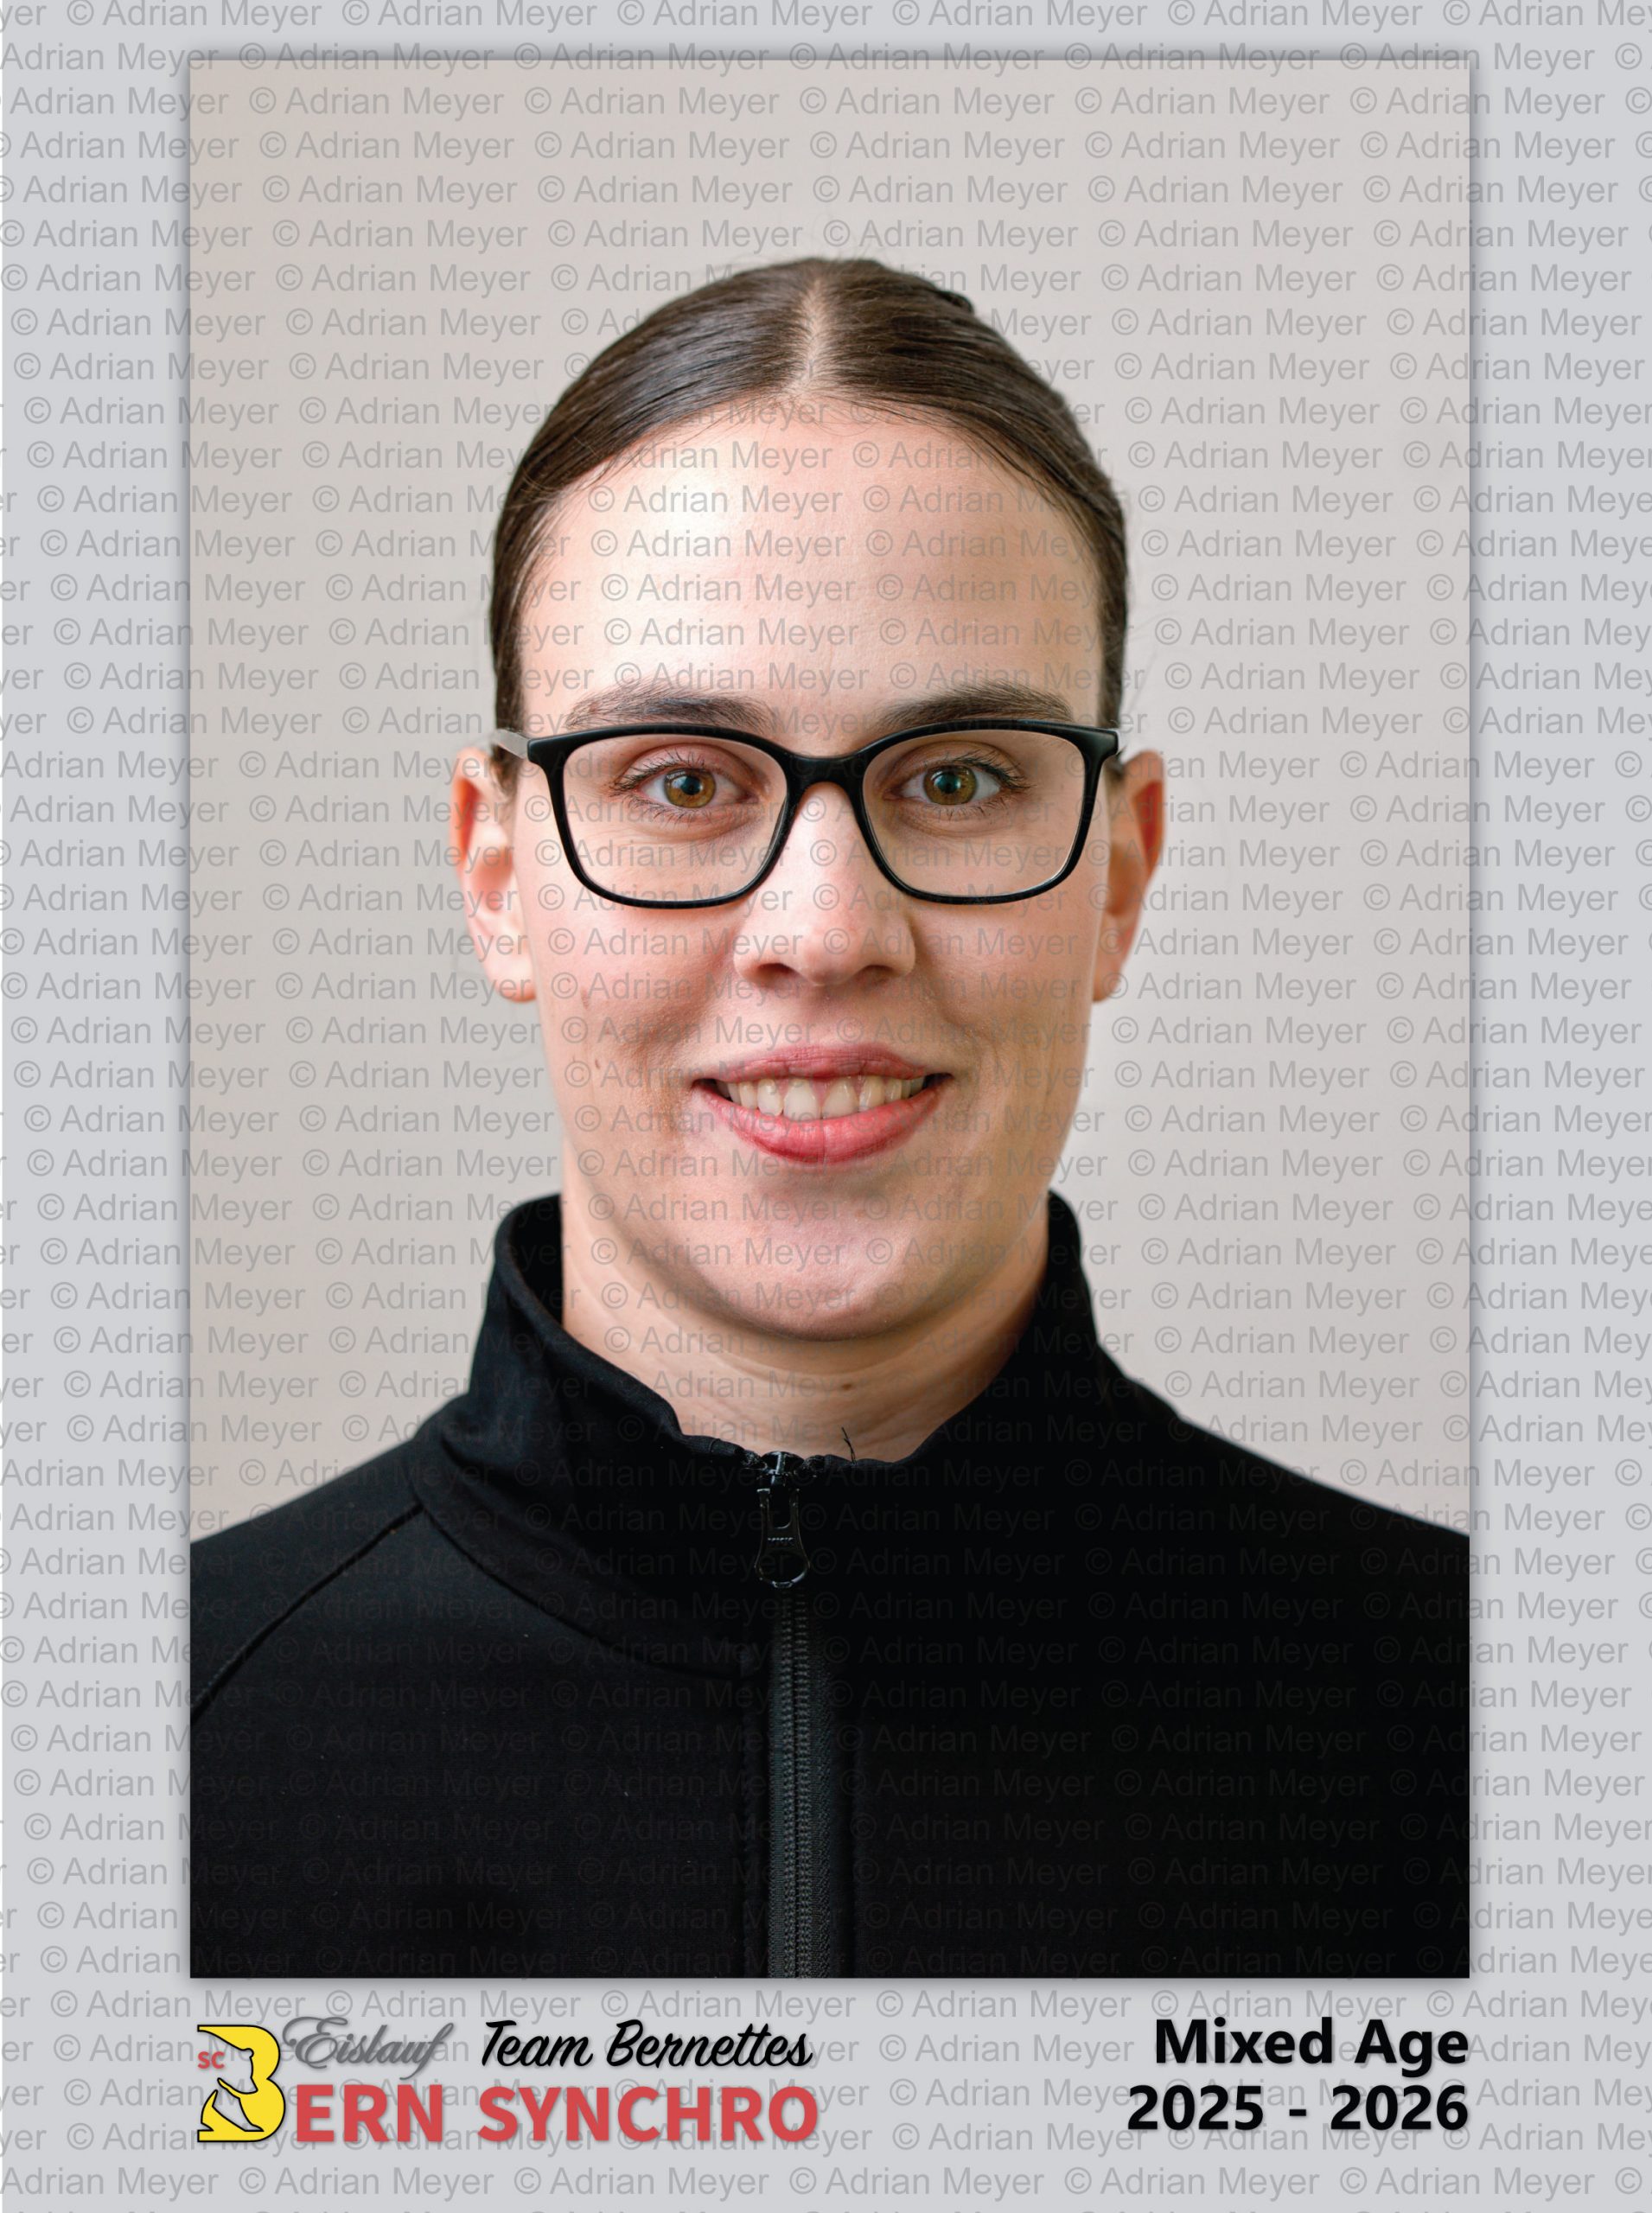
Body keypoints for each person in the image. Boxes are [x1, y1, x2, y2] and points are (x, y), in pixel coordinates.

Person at [192, 258, 1468, 1980]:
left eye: (957, 779)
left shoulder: (1489, 1738)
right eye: (680, 780)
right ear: (498, 877)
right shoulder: (145, 1754)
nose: (826, 928)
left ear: (1119, 874)